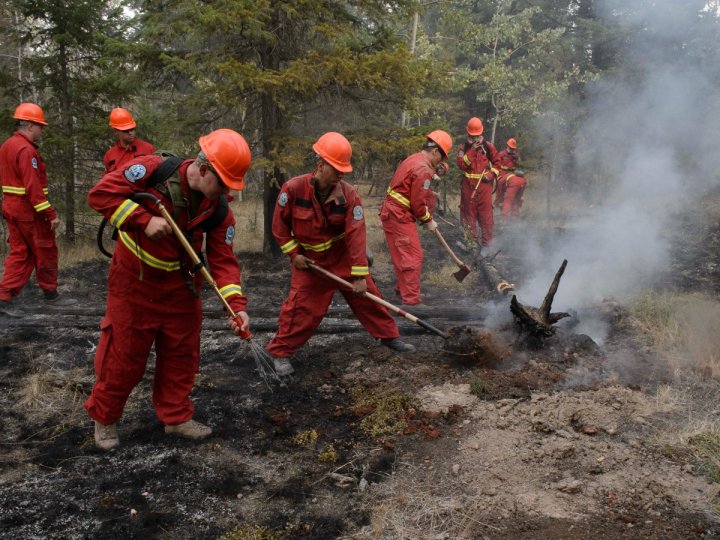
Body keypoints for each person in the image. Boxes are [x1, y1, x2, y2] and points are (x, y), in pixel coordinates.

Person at [84, 128, 252, 451]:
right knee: (124, 356)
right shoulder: (152, 170)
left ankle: (175, 417)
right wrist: (141, 219)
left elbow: (224, 262)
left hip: (180, 288)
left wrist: (237, 305)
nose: (225, 192)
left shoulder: (218, 210)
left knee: (182, 354)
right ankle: (104, 418)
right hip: (134, 282)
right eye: (223, 183)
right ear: (203, 169)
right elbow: (100, 195)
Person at [266, 132, 414, 376]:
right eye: (336, 169)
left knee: (369, 297)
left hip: (343, 258)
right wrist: (294, 255)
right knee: (300, 310)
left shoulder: (349, 196)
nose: (340, 174)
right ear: (320, 164)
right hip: (310, 264)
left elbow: (356, 235)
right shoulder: (293, 189)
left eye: (343, 170)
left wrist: (358, 276)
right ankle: (281, 352)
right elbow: (279, 228)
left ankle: (390, 337)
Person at [0, 103, 77, 317]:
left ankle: (4, 296)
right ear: (30, 125)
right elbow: (33, 187)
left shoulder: (8, 145)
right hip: (29, 212)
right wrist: (50, 214)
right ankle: (51, 296)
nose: (42, 131)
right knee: (45, 250)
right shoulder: (26, 150)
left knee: (20, 252)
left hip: (11, 207)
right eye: (40, 126)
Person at [380, 130, 451, 306]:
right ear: (435, 151)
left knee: (401, 254)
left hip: (392, 213)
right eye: (440, 158)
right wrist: (428, 219)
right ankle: (411, 300)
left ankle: (403, 290)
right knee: (413, 255)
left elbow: (414, 190)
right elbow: (418, 204)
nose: (439, 163)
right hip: (399, 215)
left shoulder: (415, 159)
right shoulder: (423, 168)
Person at [455, 117, 499, 254]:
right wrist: (472, 150)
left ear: (481, 133)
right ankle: (471, 248)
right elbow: (462, 165)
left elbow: (498, 164)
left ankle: (488, 250)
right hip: (468, 188)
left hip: (485, 188)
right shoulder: (463, 148)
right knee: (469, 218)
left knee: (486, 218)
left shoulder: (488, 146)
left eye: (476, 136)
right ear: (468, 134)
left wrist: (491, 175)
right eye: (472, 136)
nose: (474, 138)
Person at [103, 108, 156, 173]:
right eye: (126, 130)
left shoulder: (148, 149)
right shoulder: (110, 155)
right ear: (115, 131)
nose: (130, 133)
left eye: (132, 129)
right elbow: (107, 181)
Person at [494, 138, 526, 219]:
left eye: (513, 148)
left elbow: (520, 166)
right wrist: (499, 175)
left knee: (516, 197)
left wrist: (517, 160)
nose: (512, 150)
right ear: (507, 146)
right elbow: (497, 165)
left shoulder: (516, 156)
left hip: (513, 174)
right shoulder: (501, 154)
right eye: (510, 148)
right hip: (503, 173)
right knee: (500, 191)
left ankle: (515, 216)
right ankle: (499, 203)